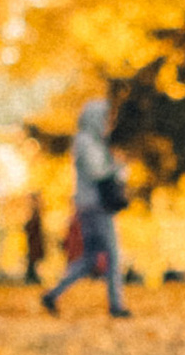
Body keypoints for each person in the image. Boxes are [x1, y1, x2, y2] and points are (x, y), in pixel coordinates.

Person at [43, 97, 129, 319]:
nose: (106, 122)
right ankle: (116, 305)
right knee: (112, 254)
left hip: (90, 205)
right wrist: (118, 167)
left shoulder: (93, 141)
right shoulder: (86, 142)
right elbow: (97, 171)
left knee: (90, 258)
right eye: (103, 118)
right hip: (95, 205)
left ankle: (53, 294)